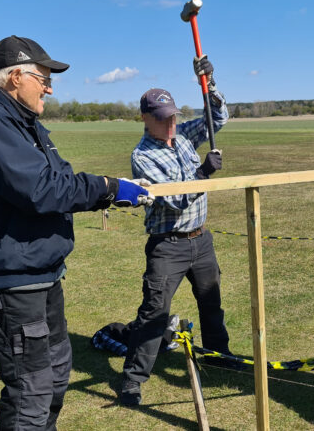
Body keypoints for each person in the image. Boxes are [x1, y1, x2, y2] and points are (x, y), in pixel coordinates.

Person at [0, 35, 153, 430]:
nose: (49, 87)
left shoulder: (26, 123)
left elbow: (57, 180)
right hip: (11, 280)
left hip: (41, 273)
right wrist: (109, 188)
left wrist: (102, 192)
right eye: (42, 78)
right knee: (31, 390)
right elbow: (41, 190)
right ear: (14, 78)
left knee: (57, 374)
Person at [119, 55, 238, 406]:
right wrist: (203, 173)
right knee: (154, 313)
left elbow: (218, 118)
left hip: (201, 240)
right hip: (167, 246)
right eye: (162, 119)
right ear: (145, 119)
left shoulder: (183, 136)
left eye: (173, 117)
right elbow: (177, 199)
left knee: (211, 303)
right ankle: (133, 380)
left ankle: (220, 358)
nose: (171, 124)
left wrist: (209, 85)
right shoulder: (143, 156)